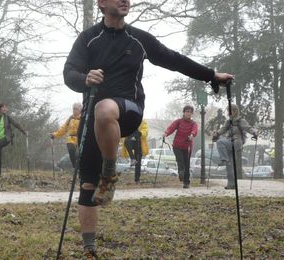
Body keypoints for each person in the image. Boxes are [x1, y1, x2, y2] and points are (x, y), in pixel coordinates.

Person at [63, 0, 233, 257]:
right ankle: (89, 248)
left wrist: (210, 74)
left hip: (129, 110)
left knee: (104, 108)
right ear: (100, 3)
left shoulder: (139, 39)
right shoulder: (88, 39)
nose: (125, 1)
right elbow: (69, 73)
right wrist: (83, 79)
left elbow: (173, 60)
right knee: (87, 185)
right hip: (93, 123)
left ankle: (109, 174)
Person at [213, 104, 258, 189]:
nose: (230, 113)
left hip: (237, 142)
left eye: (232, 111)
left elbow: (248, 128)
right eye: (229, 111)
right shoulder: (228, 122)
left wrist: (254, 132)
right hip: (229, 142)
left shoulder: (241, 121)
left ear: (236, 111)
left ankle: (224, 159)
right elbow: (223, 129)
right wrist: (217, 133)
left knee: (219, 142)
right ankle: (231, 184)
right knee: (229, 165)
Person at [0, 103, 27, 175]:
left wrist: (24, 131)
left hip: (6, 138)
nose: (6, 109)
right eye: (4, 107)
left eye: (6, 107)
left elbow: (16, 124)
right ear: (0, 109)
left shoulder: (8, 117)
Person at [163, 105, 198, 188]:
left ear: (192, 113)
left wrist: (192, 135)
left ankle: (186, 182)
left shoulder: (193, 123)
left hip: (187, 146)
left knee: (187, 164)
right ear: (184, 112)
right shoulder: (178, 121)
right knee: (180, 160)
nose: (188, 113)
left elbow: (195, 130)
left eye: (190, 112)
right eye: (187, 111)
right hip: (177, 145)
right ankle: (181, 172)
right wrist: (166, 133)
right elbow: (171, 128)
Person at [50, 102, 82, 168]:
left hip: (80, 139)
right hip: (71, 139)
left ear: (80, 109)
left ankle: (81, 168)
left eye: (76, 109)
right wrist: (54, 135)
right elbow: (63, 129)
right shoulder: (70, 118)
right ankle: (75, 167)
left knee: (80, 155)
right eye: (73, 109)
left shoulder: (83, 118)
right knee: (71, 150)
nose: (74, 110)